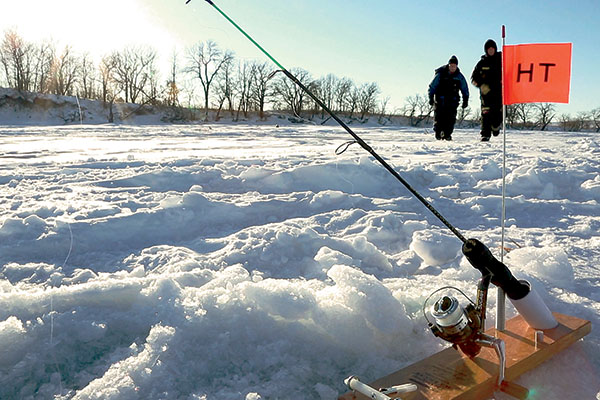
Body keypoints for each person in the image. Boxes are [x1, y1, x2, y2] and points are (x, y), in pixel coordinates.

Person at [428, 55, 469, 141]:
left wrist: (465, 99)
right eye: (451, 65)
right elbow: (432, 86)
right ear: (448, 65)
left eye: (454, 66)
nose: (452, 67)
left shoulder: (459, 76)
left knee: (450, 119)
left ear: (456, 66)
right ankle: (438, 132)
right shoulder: (440, 74)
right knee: (439, 117)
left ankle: (447, 134)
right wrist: (431, 97)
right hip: (440, 100)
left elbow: (464, 88)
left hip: (452, 101)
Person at [471, 39, 502, 141]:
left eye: (492, 49)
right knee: (486, 114)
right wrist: (481, 85)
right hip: (486, 94)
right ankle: (485, 134)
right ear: (486, 50)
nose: (491, 50)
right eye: (489, 49)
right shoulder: (481, 63)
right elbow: (473, 78)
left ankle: (495, 126)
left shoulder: (501, 60)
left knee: (497, 113)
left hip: (499, 93)